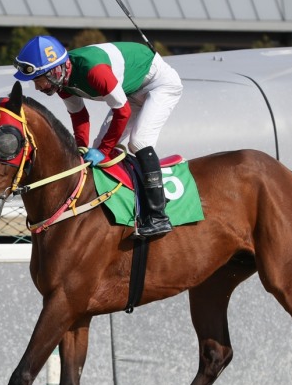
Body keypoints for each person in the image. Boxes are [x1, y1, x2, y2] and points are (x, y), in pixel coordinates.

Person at [13, 35, 183, 237]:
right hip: (130, 91)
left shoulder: (94, 71)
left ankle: (158, 216)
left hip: (158, 84)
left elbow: (123, 112)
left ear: (53, 71)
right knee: (97, 149)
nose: (38, 87)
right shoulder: (61, 81)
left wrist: (103, 150)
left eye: (38, 80)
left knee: (138, 141)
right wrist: (81, 147)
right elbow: (79, 115)